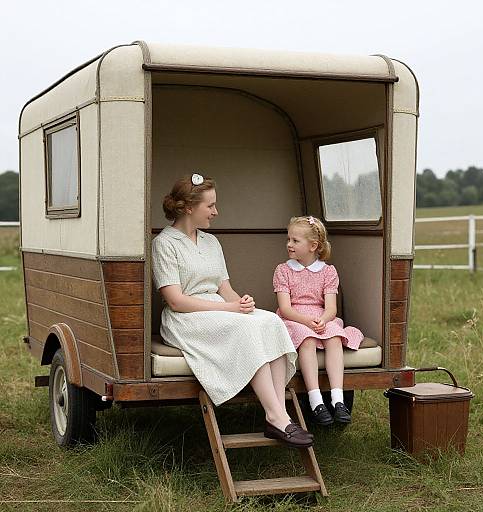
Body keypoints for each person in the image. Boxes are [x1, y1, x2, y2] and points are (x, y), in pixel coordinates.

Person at [152, 173, 312, 448]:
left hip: (219, 309)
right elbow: (176, 301)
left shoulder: (211, 242)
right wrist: (231, 309)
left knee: (270, 321)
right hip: (184, 319)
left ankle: (279, 415)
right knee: (247, 327)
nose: (216, 211)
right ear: (189, 208)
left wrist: (243, 304)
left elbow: (225, 289)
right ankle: (276, 416)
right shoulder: (164, 244)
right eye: (210, 205)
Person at [273, 216, 364, 426]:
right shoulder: (283, 270)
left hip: (319, 317)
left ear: (313, 246)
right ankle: (315, 400)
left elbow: (331, 308)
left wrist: (322, 320)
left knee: (333, 337)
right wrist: (306, 321)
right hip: (294, 318)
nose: (289, 244)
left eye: (295, 241)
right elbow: (285, 308)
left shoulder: (327, 271)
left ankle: (338, 399)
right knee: (308, 340)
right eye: (288, 239)